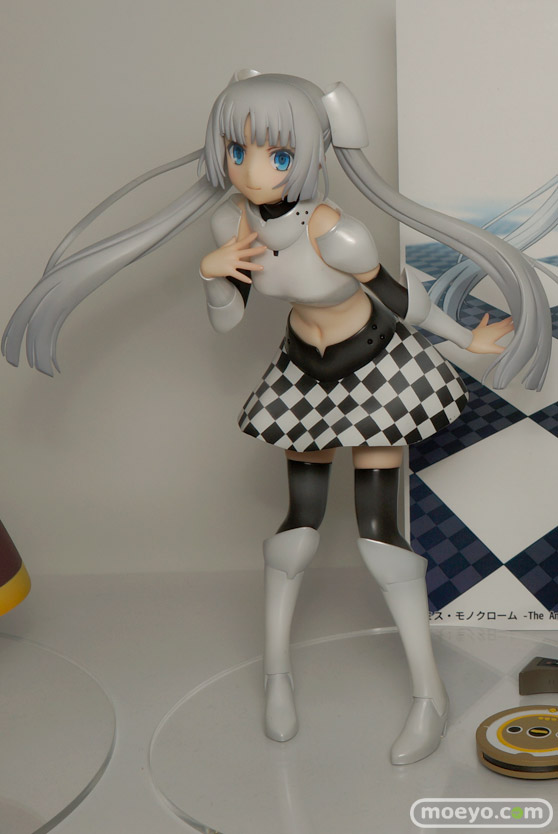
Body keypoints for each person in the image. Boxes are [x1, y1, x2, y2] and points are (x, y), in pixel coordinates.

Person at [3, 70, 551, 765]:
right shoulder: (228, 225)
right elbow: (228, 322)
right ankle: (277, 676)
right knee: (296, 531)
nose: (252, 169)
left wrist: (469, 338)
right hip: (303, 374)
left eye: (278, 154)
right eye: (238, 150)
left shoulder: (336, 232)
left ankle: (427, 693)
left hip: (376, 371)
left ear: (311, 153)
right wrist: (213, 274)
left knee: (380, 537)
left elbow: (397, 298)